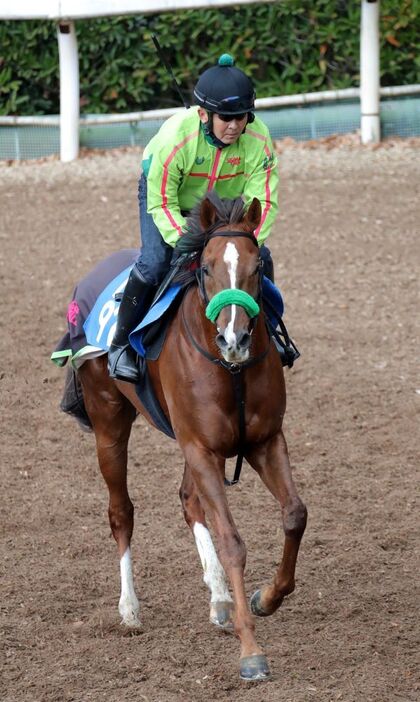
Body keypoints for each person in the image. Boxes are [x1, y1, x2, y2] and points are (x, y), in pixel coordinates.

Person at [108, 53, 279, 383]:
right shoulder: (177, 137)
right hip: (168, 199)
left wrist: (249, 242)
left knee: (260, 260)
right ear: (203, 114)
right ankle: (119, 345)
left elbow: (264, 202)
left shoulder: (259, 140)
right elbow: (161, 202)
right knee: (156, 263)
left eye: (241, 117)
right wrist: (189, 244)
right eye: (225, 118)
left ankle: (270, 338)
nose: (234, 126)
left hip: (221, 207)